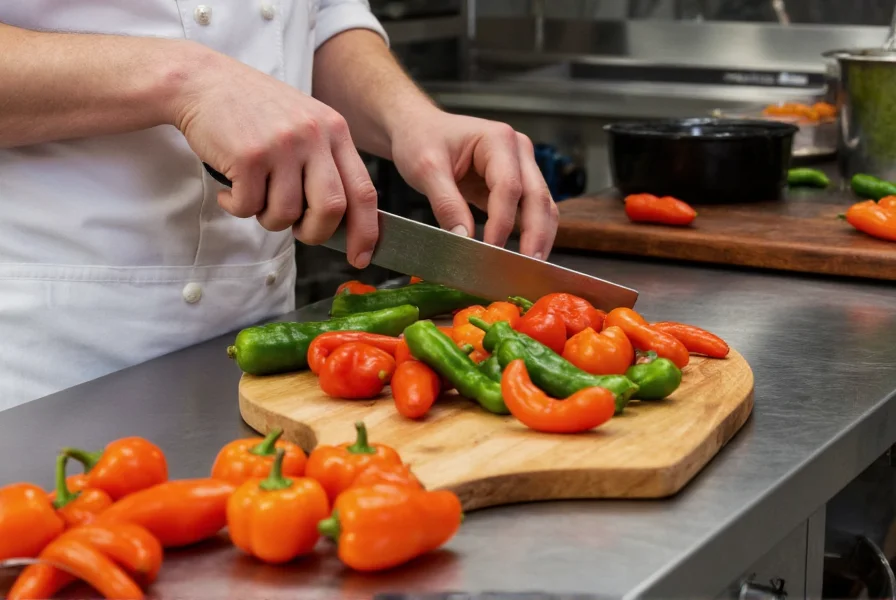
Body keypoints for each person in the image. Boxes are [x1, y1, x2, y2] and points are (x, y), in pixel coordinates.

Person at [0, 1, 559, 411]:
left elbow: (322, 17)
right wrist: (188, 80)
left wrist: (407, 118)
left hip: (276, 365)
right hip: (48, 371)